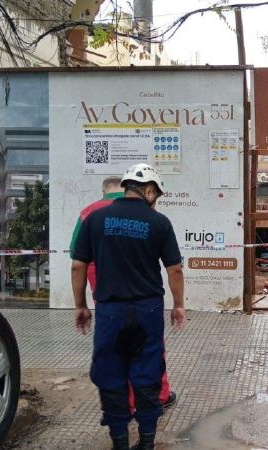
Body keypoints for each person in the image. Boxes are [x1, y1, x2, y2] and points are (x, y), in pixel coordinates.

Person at [72, 163, 187, 450]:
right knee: (147, 374)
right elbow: (174, 270)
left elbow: (77, 266)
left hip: (109, 310)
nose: (155, 201)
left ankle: (120, 444)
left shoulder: (95, 218)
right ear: (149, 190)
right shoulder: (159, 222)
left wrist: (80, 306)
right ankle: (146, 443)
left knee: (110, 375)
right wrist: (179, 305)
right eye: (156, 195)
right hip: (148, 310)